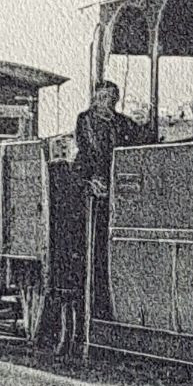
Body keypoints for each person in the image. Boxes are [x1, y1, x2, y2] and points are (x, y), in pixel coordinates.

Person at [73, 81, 145, 319]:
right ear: (95, 98)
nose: (108, 102)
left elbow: (139, 141)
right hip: (94, 187)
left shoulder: (123, 123)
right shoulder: (86, 121)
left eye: (112, 97)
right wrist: (93, 179)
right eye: (103, 97)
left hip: (119, 188)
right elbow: (87, 151)